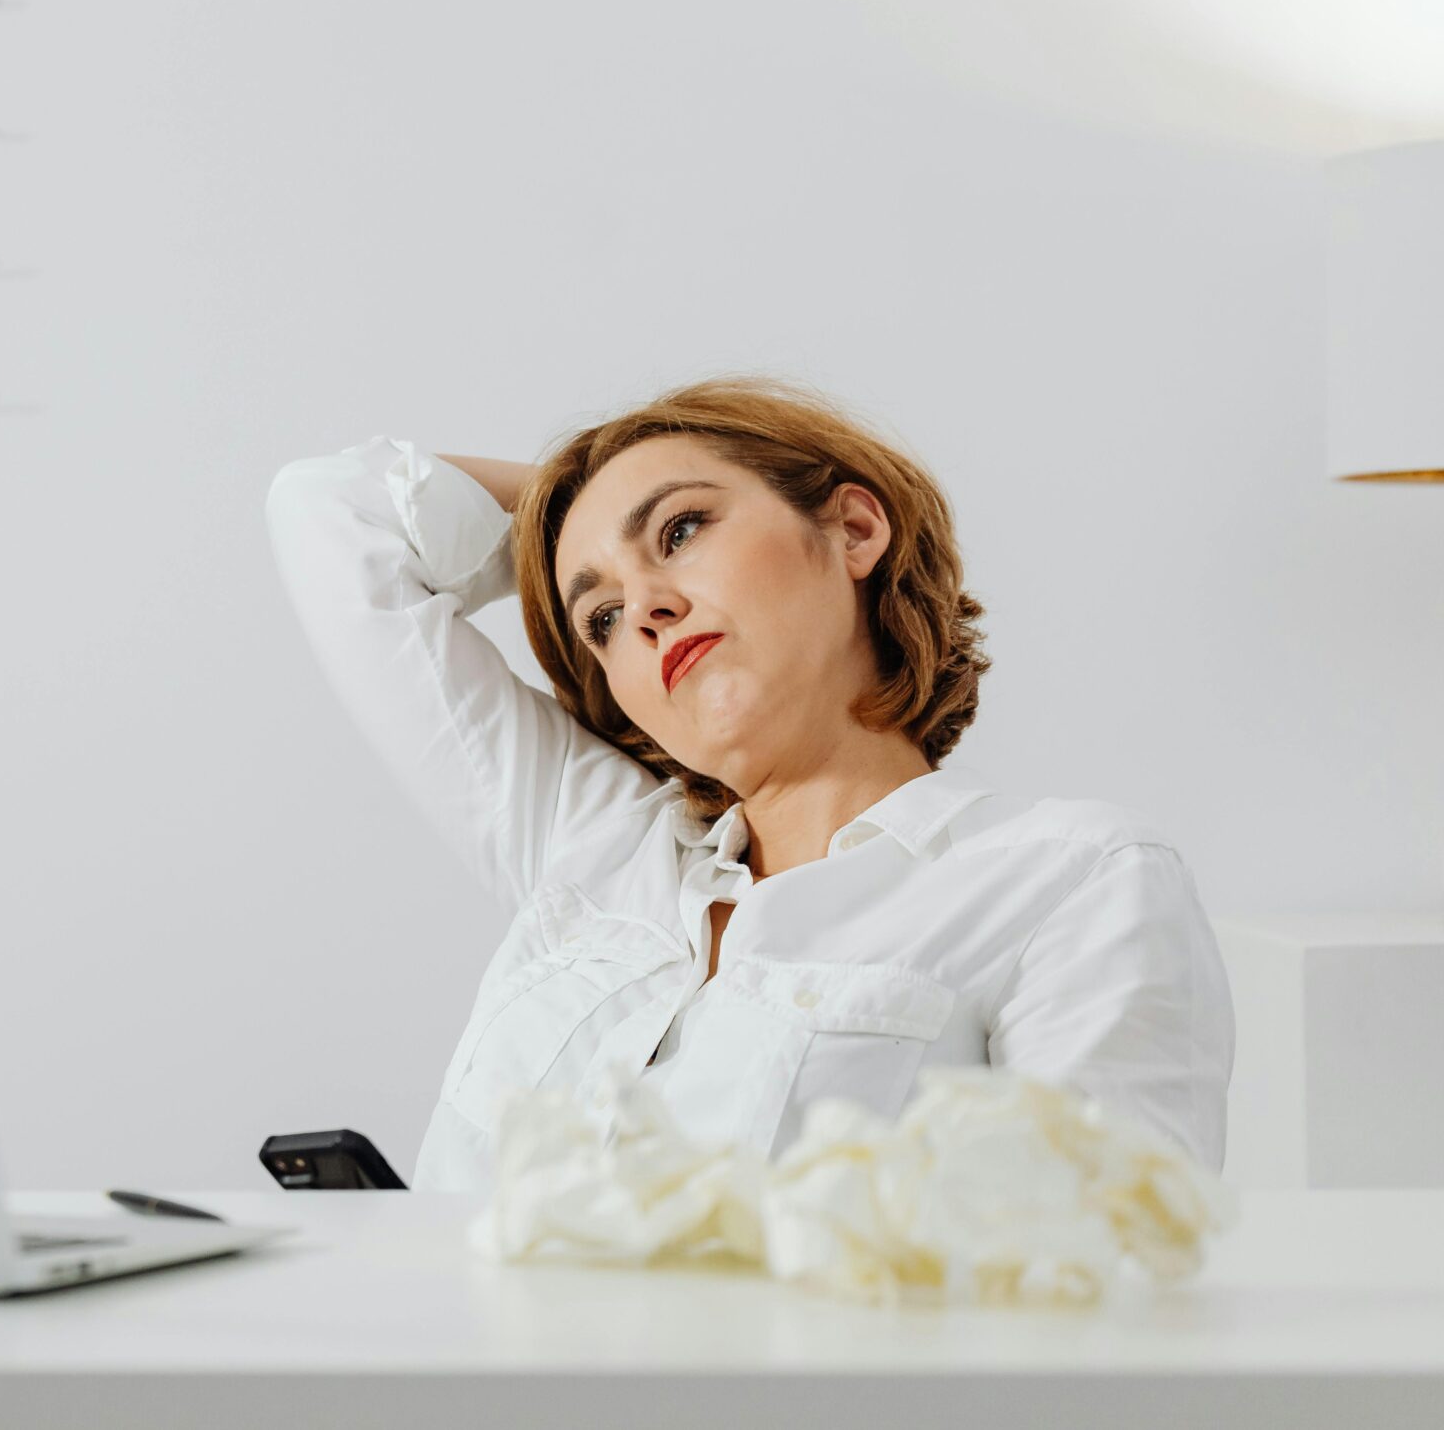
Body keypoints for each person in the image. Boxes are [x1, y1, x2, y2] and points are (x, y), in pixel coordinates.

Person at [265, 376, 1233, 1191]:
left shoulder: (1070, 880)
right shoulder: (590, 842)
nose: (640, 606)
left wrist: (593, 510)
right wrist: (574, 508)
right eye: (597, 617)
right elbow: (327, 512)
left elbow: (1108, 1287)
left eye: (681, 530)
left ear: (855, 527)